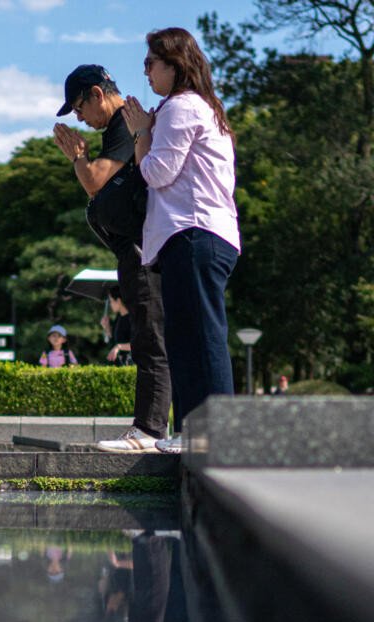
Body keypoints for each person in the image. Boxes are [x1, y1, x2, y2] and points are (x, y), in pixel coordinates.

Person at [121, 29, 240, 455]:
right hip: (203, 234)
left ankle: (211, 435)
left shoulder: (179, 108)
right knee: (190, 337)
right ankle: (195, 434)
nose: (146, 72)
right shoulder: (203, 108)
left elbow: (156, 173)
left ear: (175, 65)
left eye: (152, 64)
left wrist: (140, 133)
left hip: (192, 233)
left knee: (201, 337)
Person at [54, 65, 170, 454]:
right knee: (146, 335)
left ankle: (150, 430)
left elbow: (96, 181)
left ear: (97, 94)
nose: (81, 119)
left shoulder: (123, 122)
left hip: (144, 249)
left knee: (151, 338)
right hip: (134, 249)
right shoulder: (118, 129)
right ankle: (151, 427)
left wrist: (77, 157)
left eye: (79, 108)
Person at [102, 285, 133, 365]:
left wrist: (119, 347)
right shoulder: (119, 317)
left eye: (111, 301)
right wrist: (107, 328)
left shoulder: (132, 319)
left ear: (118, 301)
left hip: (130, 364)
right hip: (119, 363)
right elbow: (114, 342)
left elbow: (138, 344)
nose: (110, 304)